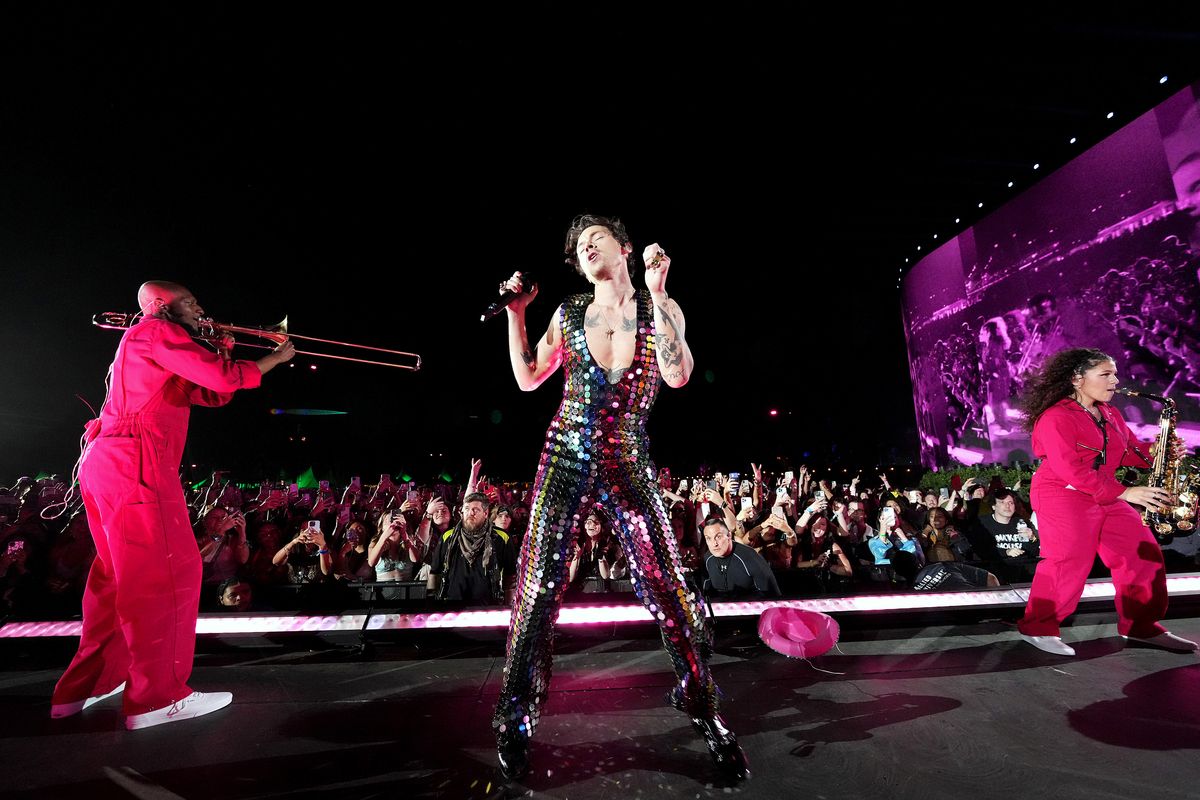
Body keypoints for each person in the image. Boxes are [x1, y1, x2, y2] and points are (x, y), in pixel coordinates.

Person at [491, 215, 746, 781]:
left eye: (595, 239)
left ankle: (703, 707)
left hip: (628, 457)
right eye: (579, 246)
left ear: (624, 248)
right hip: (566, 454)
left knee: (669, 588)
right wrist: (516, 314)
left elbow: (678, 376)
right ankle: (515, 717)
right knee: (537, 588)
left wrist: (660, 292)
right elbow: (529, 378)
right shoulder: (569, 311)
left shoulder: (661, 308)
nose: (585, 248)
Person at [50, 281, 294, 730]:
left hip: (111, 463)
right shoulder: (157, 331)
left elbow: (210, 392)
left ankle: (91, 684)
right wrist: (275, 359)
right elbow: (224, 380)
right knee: (167, 574)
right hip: (137, 463)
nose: (201, 309)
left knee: (116, 578)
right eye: (191, 302)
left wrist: (223, 348)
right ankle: (157, 698)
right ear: (163, 305)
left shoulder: (150, 342)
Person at [1015, 347, 1196, 656]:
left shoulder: (1110, 413)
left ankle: (1141, 626)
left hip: (1105, 493)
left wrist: (1157, 451)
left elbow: (1127, 451)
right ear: (1077, 379)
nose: (1115, 380)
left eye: (1115, 373)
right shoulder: (1055, 417)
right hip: (1062, 493)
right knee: (1068, 560)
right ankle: (1038, 628)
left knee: (1141, 553)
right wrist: (1125, 493)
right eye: (1106, 374)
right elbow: (1070, 469)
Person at [426, 492, 514, 603]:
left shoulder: (501, 537)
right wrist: (432, 603)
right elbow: (435, 572)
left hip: (488, 605)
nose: (470, 513)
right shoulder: (448, 537)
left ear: (485, 513)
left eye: (476, 510)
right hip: (453, 604)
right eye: (467, 509)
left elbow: (510, 576)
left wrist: (508, 606)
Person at [701, 517, 781, 599]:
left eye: (718, 537)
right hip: (719, 605)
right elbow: (704, 595)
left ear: (729, 535)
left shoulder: (749, 556)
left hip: (750, 605)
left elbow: (773, 596)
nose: (714, 544)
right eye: (708, 538)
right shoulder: (708, 558)